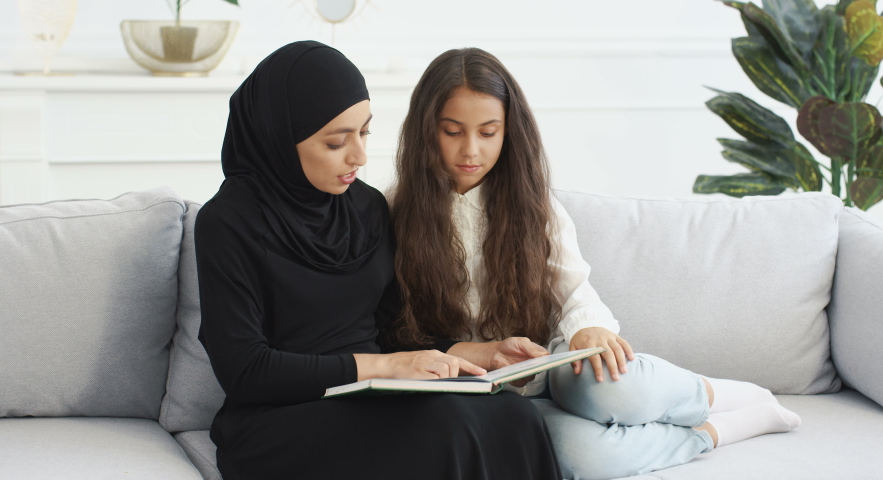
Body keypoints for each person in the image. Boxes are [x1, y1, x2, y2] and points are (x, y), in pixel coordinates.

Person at [389, 47, 802, 480]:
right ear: (425, 131)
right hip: (481, 390)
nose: (470, 150)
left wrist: (587, 326)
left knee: (613, 391)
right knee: (581, 461)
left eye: (488, 132)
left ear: (509, 133)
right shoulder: (393, 212)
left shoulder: (532, 205)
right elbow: (393, 331)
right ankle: (718, 429)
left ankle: (724, 393)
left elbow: (574, 291)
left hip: (550, 361)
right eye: (452, 131)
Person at [194, 41, 562, 480]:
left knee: (512, 415)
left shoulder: (366, 208)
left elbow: (392, 333)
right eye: (336, 142)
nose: (359, 157)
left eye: (364, 133)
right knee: (443, 426)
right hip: (280, 417)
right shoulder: (226, 223)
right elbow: (247, 371)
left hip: (373, 396)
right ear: (279, 136)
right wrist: (387, 367)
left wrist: (479, 353)